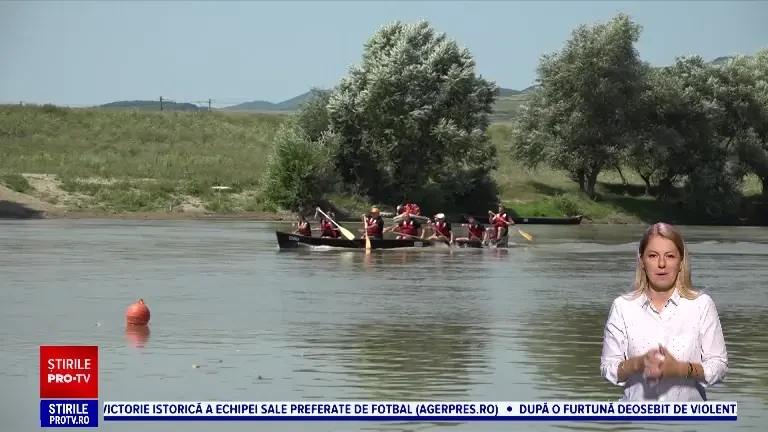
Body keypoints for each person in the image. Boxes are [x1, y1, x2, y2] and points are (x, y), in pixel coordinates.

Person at [600, 223, 728, 401]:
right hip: (637, 421)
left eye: (670, 256)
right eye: (653, 256)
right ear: (642, 260)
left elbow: (719, 367)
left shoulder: (702, 305)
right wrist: (638, 363)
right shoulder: (622, 307)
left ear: (681, 261)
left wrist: (680, 369)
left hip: (689, 422)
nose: (661, 264)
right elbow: (608, 368)